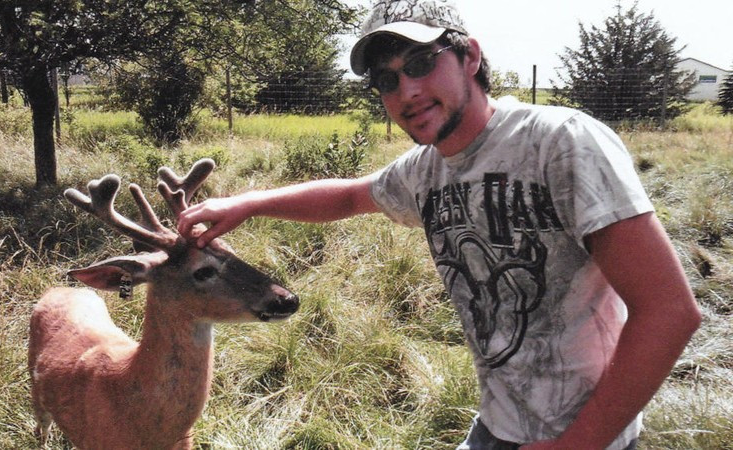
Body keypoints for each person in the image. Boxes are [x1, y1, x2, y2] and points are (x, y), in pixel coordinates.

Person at [177, 1, 701, 448]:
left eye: (422, 62)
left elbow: (669, 311)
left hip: (583, 431)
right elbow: (350, 196)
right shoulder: (426, 170)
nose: (406, 90)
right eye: (387, 79)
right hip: (496, 423)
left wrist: (576, 445)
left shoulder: (559, 143)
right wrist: (248, 203)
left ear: (469, 56)